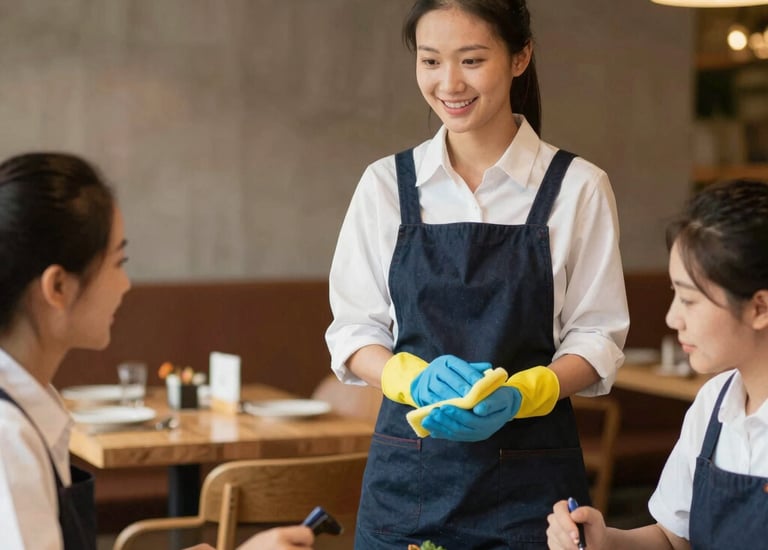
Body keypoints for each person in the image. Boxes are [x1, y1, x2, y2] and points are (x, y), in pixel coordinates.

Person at [325, 0, 628, 547]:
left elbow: (598, 337)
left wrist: (527, 392)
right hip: (408, 487)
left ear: (520, 57)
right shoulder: (386, 186)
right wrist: (410, 379)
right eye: (430, 61)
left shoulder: (578, 187)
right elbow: (353, 331)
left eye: (470, 60)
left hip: (533, 491)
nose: (448, 83)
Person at [0, 152, 315, 550]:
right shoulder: (9, 443)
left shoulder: (33, 406)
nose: (126, 284)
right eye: (118, 262)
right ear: (57, 288)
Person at [546, 179, 768, 550]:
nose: (672, 318)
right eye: (673, 294)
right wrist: (605, 541)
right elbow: (672, 538)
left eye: (689, 299)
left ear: (759, 307)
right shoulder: (713, 404)